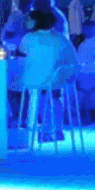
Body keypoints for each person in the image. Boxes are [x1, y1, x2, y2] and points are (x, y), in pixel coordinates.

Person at [18, 10, 79, 139]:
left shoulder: (29, 38)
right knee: (50, 95)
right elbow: (72, 60)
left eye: (28, 19)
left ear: (36, 21)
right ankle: (56, 129)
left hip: (38, 80)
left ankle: (30, 127)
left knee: (22, 88)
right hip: (59, 79)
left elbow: (22, 52)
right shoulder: (61, 38)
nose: (25, 21)